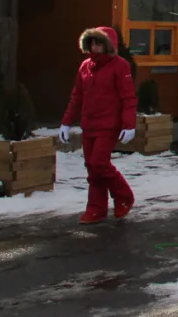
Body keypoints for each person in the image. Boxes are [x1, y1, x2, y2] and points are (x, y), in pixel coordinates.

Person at [58, 27, 137, 225]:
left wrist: (129, 124)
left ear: (109, 45)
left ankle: (124, 196)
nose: (95, 47)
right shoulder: (85, 66)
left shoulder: (120, 65)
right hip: (89, 124)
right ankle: (96, 208)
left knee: (99, 163)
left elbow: (128, 97)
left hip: (108, 124)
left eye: (99, 43)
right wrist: (66, 122)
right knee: (92, 168)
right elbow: (77, 96)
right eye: (92, 43)